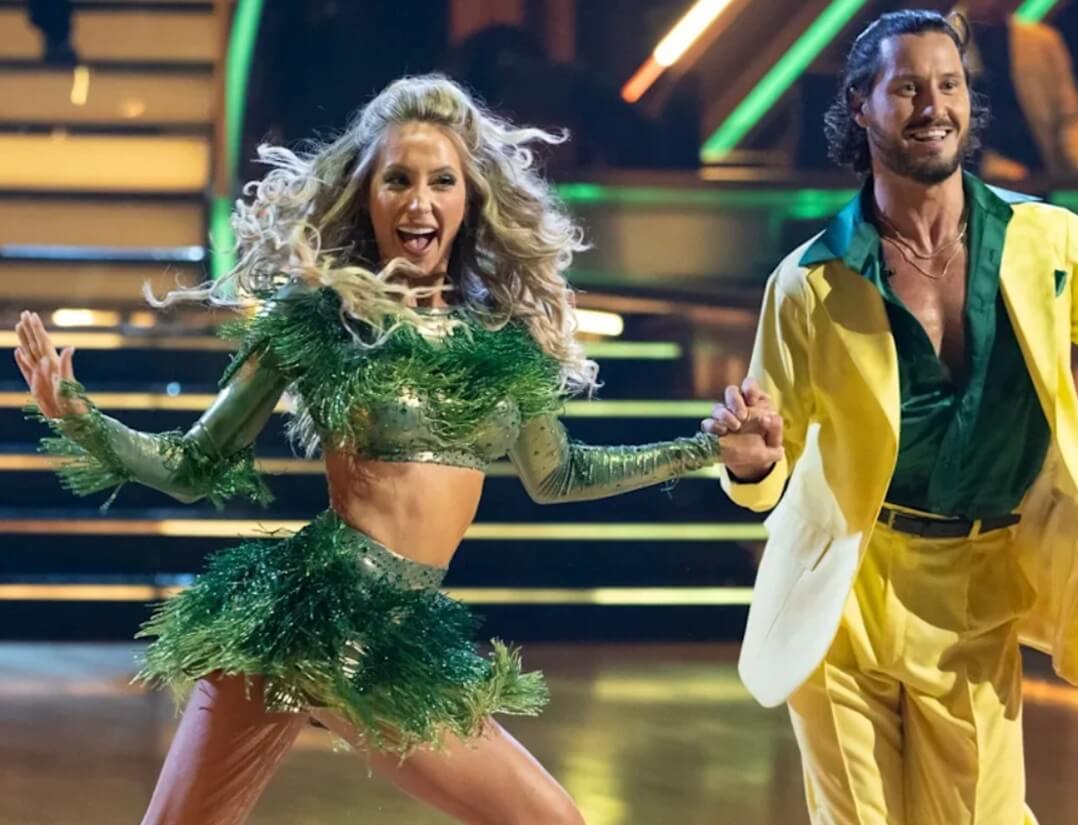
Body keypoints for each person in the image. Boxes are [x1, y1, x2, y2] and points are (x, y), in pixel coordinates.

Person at [14, 74, 725, 825]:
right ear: (368, 197)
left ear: (469, 199)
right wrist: (81, 416)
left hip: (393, 630)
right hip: (311, 612)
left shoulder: (502, 342)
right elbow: (196, 464)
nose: (419, 201)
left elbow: (560, 474)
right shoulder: (319, 319)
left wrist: (702, 447)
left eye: (440, 182)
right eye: (398, 180)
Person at [703, 10, 1078, 824]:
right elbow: (763, 473)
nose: (932, 105)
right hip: (845, 593)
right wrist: (753, 465)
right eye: (906, 87)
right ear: (861, 106)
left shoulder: (1045, 240)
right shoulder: (809, 282)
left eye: (949, 85)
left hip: (976, 589)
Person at [961, 0, 1078, 179]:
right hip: (976, 183)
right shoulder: (941, 43)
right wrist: (986, 165)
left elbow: (1069, 118)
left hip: (1041, 176)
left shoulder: (1043, 41)